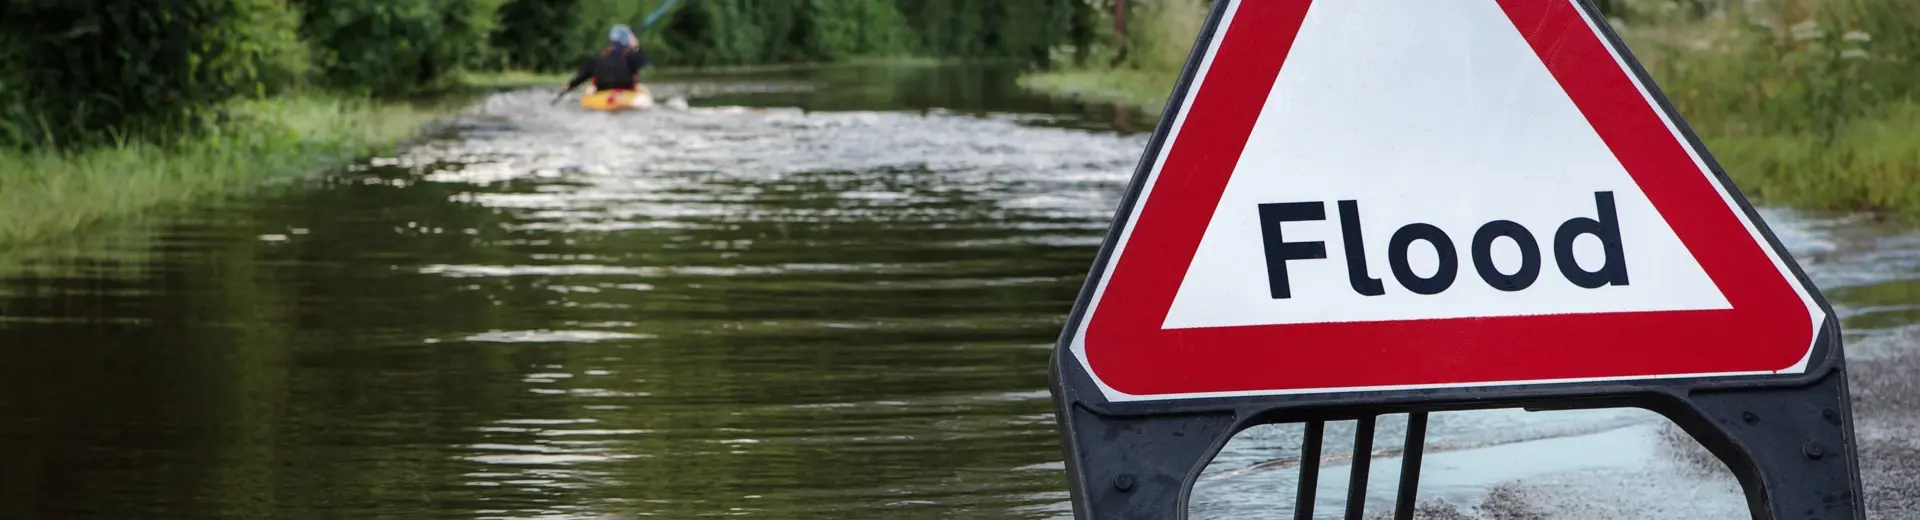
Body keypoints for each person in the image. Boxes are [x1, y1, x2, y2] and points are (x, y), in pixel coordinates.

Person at [565, 24, 651, 94]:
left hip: (602, 93)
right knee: (642, 88)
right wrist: (636, 46)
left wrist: (570, 85)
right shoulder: (631, 58)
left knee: (590, 89)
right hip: (626, 93)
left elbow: (580, 77)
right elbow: (644, 59)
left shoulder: (597, 59)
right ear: (627, 42)